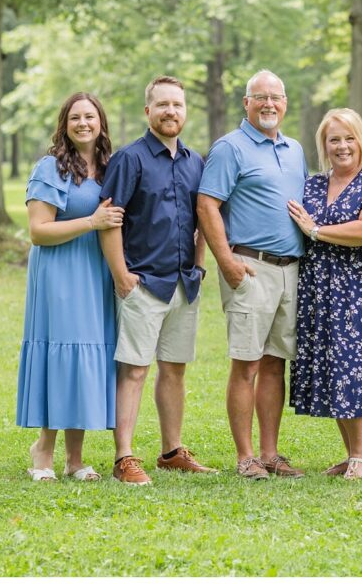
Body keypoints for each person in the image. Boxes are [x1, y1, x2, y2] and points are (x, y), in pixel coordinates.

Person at [98, 75, 214, 485]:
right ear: (148, 111)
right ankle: (124, 457)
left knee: (175, 369)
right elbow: (110, 220)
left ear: (185, 111)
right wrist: (121, 275)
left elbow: (202, 219)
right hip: (143, 281)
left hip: (184, 283)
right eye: (162, 104)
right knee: (134, 370)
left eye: (177, 105)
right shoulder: (129, 160)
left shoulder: (195, 161)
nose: (170, 111)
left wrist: (199, 265)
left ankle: (171, 451)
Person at [197, 69, 308, 480]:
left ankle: (271, 453)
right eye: (259, 97)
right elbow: (207, 205)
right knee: (246, 364)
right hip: (251, 267)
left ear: (285, 103)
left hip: (290, 269)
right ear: (246, 103)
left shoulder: (295, 149)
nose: (268, 104)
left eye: (275, 97)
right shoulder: (230, 148)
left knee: (275, 363)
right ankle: (245, 456)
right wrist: (226, 262)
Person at [286, 108, 362, 480]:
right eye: (334, 139)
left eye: (349, 137)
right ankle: (352, 453)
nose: (342, 146)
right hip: (319, 287)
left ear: (361, 141)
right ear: (324, 145)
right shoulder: (313, 184)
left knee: (353, 366)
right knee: (334, 366)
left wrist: (316, 230)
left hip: (361, 287)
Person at [17, 92, 123, 482]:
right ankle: (43, 451)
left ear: (101, 123)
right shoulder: (50, 168)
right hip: (60, 272)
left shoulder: (110, 167)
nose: (83, 123)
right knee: (61, 354)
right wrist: (91, 223)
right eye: (75, 117)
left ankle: (75, 459)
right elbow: (38, 231)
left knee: (86, 357)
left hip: (96, 272)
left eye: (90, 116)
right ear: (64, 125)